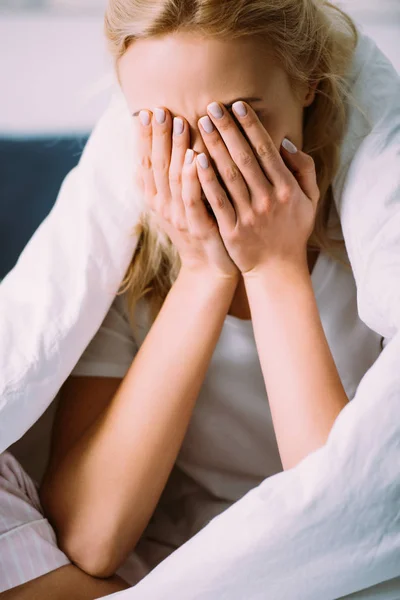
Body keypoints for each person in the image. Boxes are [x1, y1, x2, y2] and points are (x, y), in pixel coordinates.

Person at [0, 0, 387, 597]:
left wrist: (273, 265)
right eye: (166, 128)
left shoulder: (369, 247)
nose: (204, 164)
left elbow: (347, 521)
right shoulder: (126, 258)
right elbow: (90, 538)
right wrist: (205, 272)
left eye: (237, 120)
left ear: (309, 83)